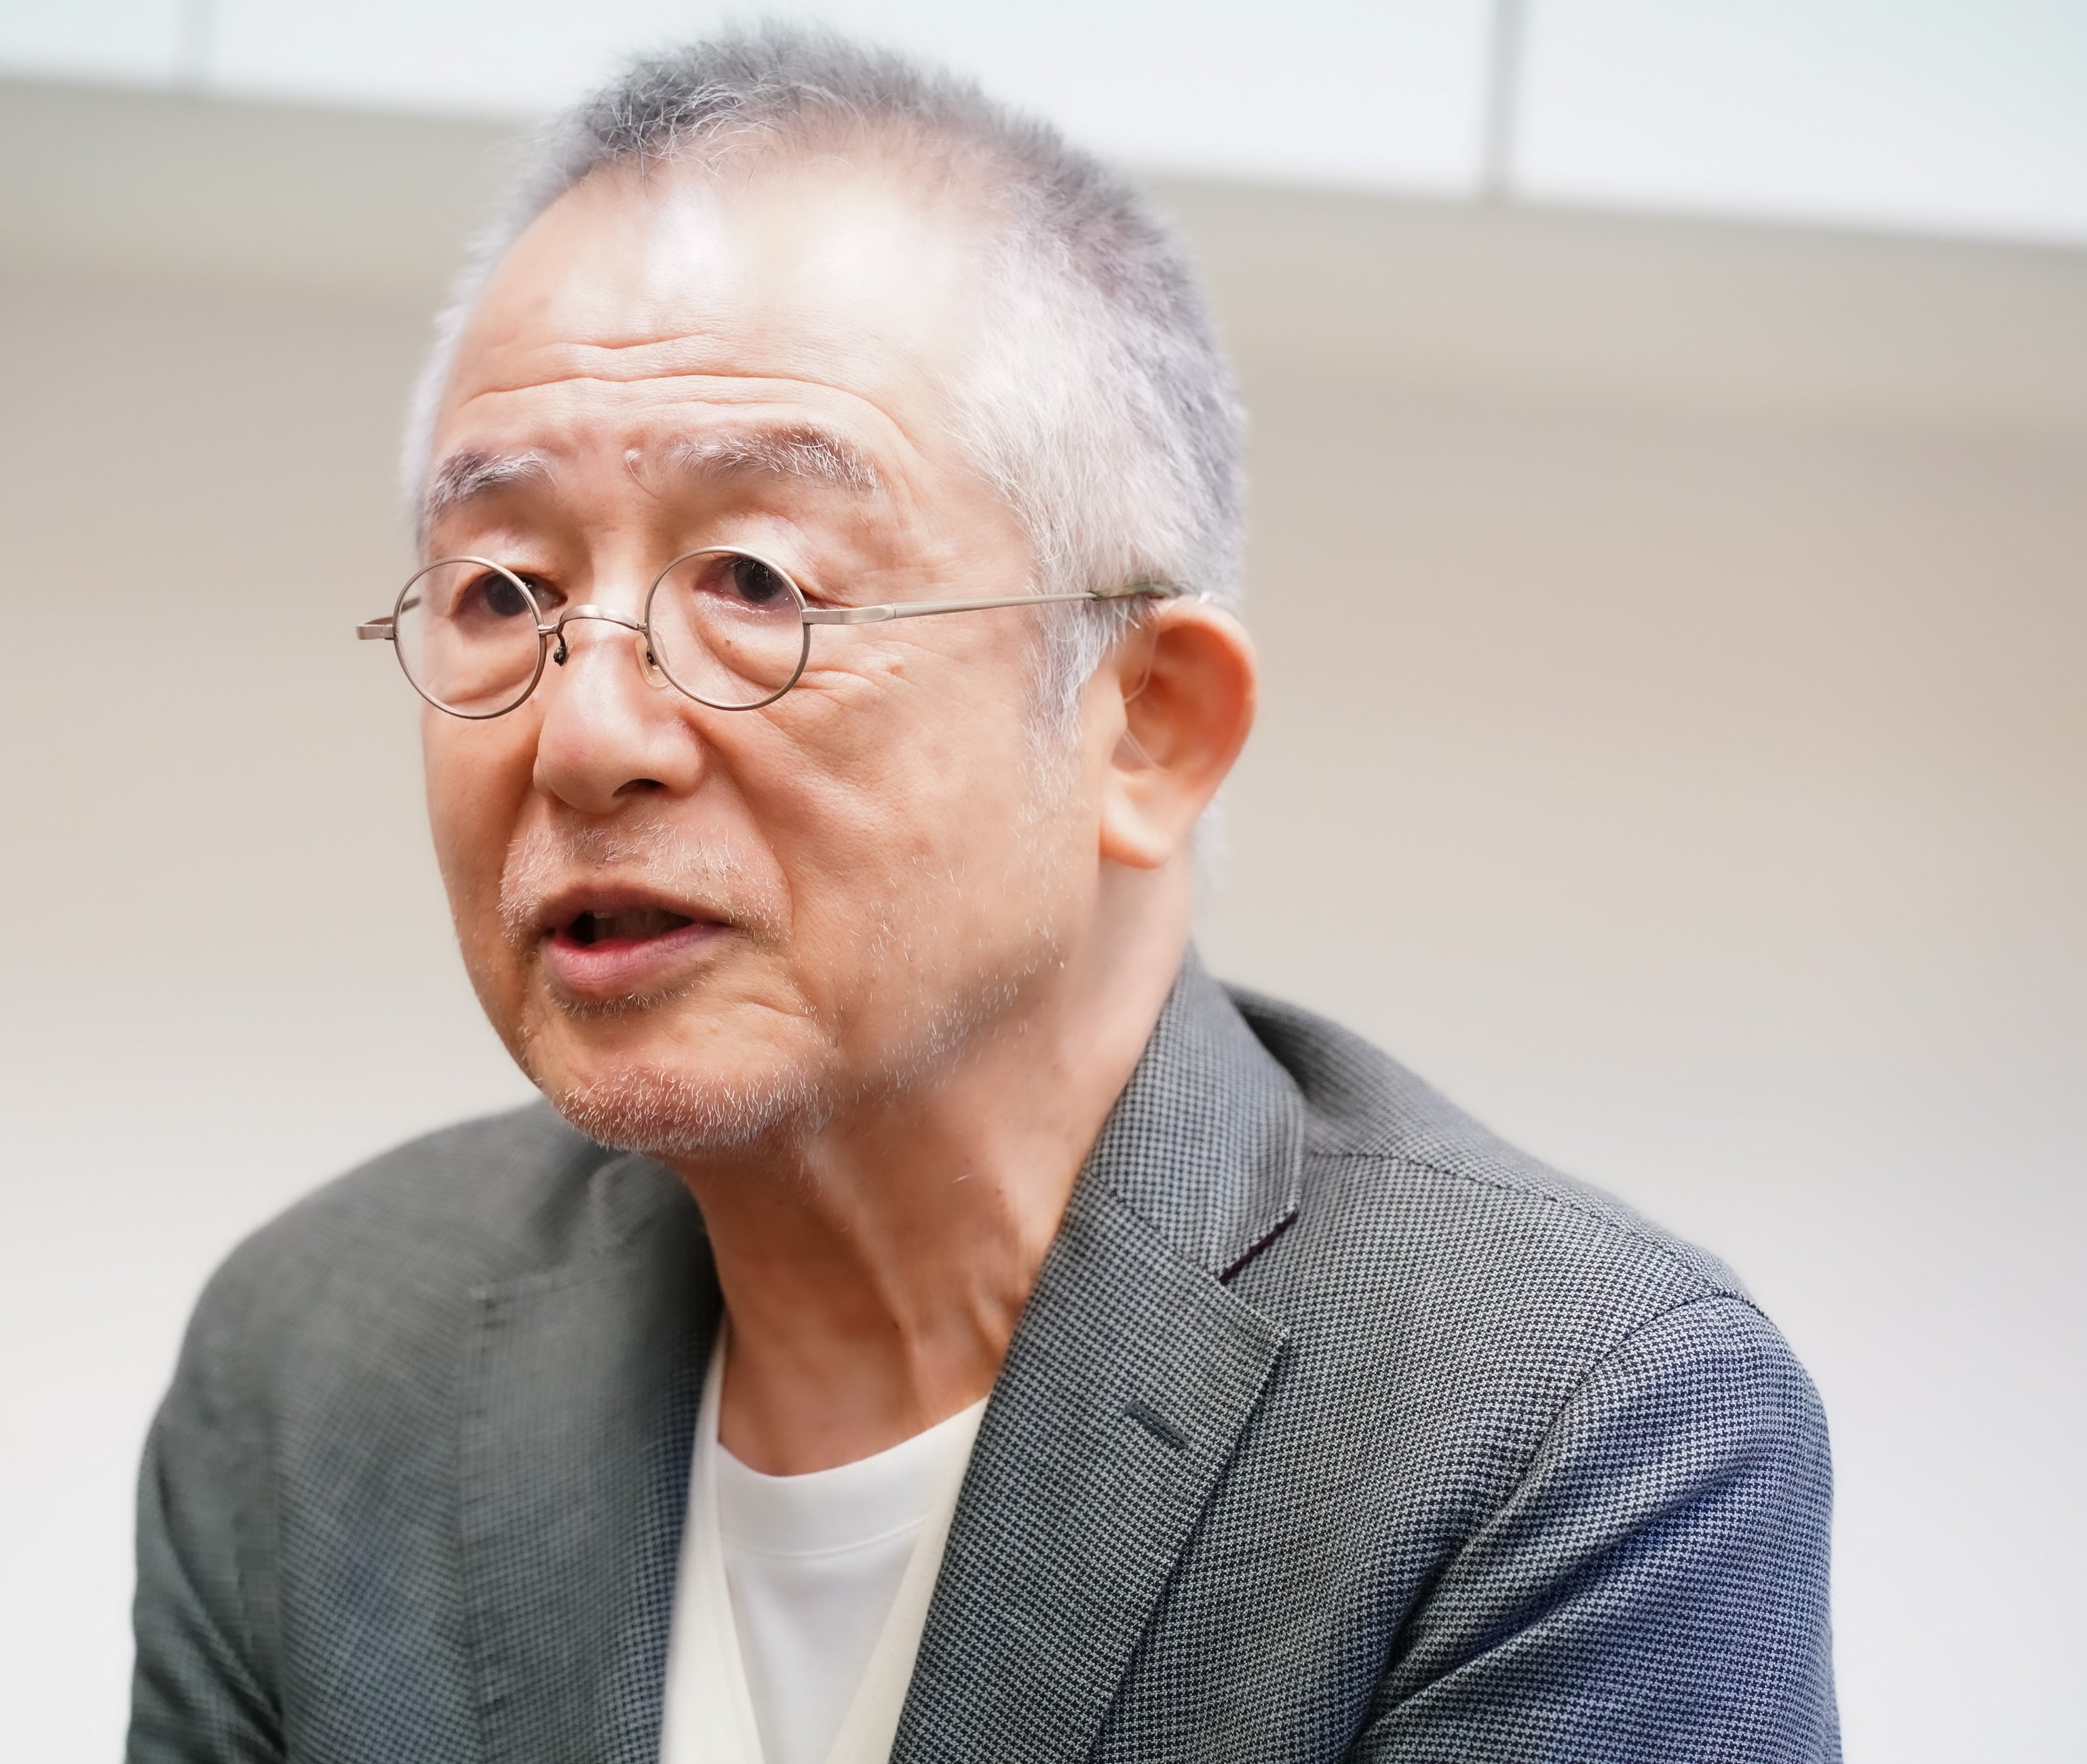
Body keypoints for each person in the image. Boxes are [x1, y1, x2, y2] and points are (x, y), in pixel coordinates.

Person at [128, 29, 1837, 1764]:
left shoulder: (1561, 1429)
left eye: (755, 581)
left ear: (1148, 724)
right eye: (502, 591)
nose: (586, 734)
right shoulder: (319, 1364)